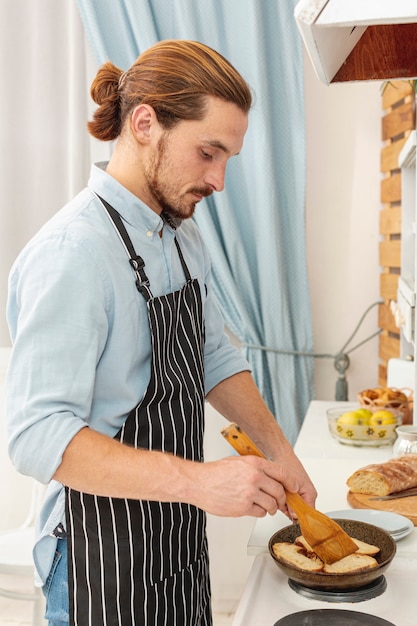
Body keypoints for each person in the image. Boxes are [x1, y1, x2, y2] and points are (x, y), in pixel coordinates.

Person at [6, 39, 316, 626]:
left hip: (172, 534)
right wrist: (201, 482)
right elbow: (38, 436)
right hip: (99, 558)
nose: (219, 180)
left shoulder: (178, 231)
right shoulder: (73, 253)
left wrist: (279, 449)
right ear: (145, 122)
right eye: (208, 152)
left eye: (228, 158)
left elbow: (212, 354)